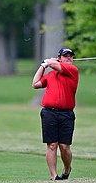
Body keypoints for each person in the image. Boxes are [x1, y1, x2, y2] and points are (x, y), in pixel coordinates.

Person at [32, 47, 79, 181]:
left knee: (64, 147)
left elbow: (54, 65)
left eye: (71, 56)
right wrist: (43, 66)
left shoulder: (73, 71)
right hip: (49, 113)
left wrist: (49, 62)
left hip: (66, 114)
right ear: (60, 58)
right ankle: (54, 177)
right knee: (52, 145)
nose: (69, 58)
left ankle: (66, 169)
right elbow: (35, 84)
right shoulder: (51, 74)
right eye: (66, 56)